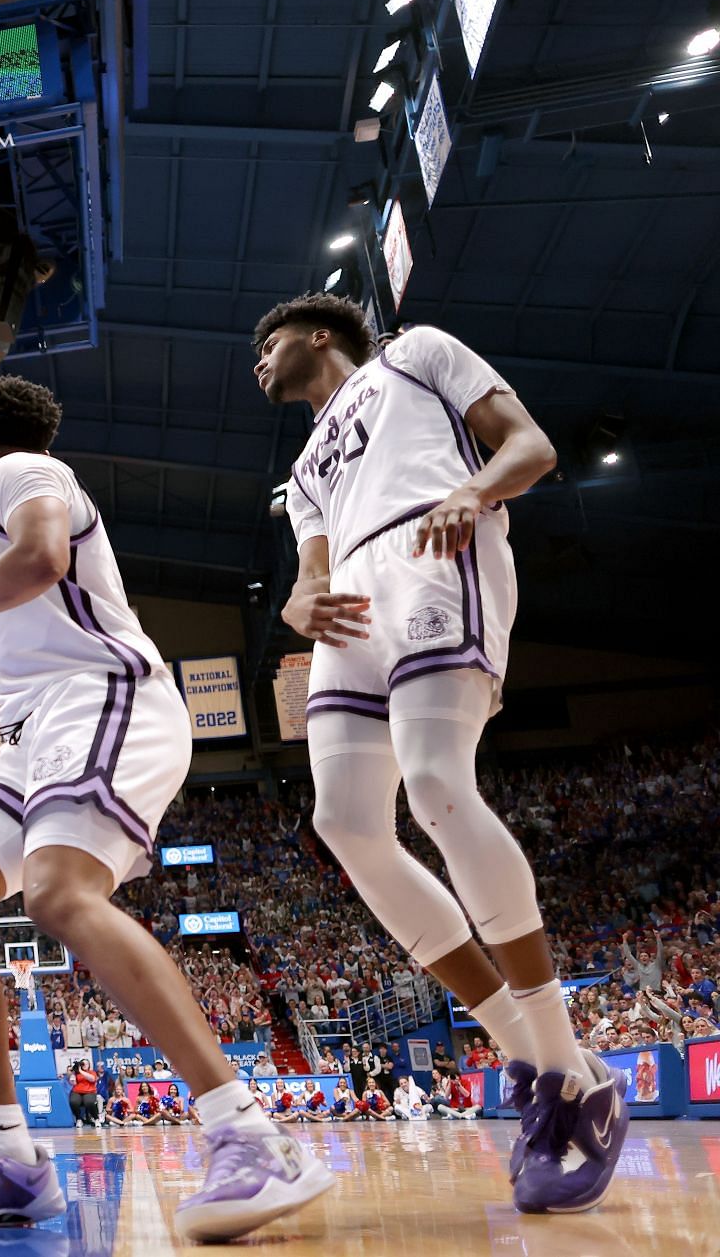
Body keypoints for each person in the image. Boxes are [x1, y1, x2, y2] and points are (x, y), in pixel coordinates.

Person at [0, 376, 333, 1241]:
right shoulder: (18, 486)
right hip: (34, 731)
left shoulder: (22, 469)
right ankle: (10, 1161)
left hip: (103, 697)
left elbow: (45, 557)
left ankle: (248, 1132)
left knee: (58, 895)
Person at [252, 294, 626, 1213]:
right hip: (350, 604)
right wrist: (299, 605)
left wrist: (474, 489)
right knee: (341, 821)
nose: (257, 364)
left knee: (433, 784)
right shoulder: (304, 466)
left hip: (434, 539)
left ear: (317, 334)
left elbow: (529, 447)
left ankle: (566, 1076)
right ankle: (551, 1060)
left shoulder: (413, 353)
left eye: (266, 345)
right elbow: (309, 573)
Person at [68, 1059, 101, 1127]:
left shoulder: (92, 1072)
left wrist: (80, 1071)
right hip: (77, 1091)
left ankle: (96, 1119)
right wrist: (73, 1074)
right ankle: (79, 1119)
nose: (85, 1065)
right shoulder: (77, 1073)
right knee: (73, 1102)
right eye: (83, 1064)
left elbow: (92, 1079)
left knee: (89, 1102)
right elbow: (73, 1083)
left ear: (89, 1065)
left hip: (90, 1091)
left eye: (86, 1064)